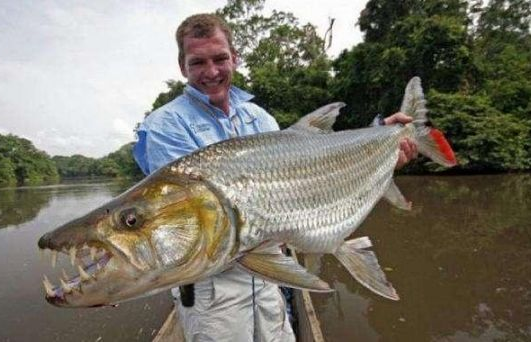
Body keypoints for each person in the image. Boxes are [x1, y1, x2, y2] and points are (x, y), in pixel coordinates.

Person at [133, 13, 417, 342]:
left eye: (220, 58)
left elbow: (306, 177)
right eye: (198, 62)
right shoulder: (164, 126)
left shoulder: (261, 117)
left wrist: (381, 144)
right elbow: (183, 225)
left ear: (234, 58)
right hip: (213, 292)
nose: (211, 72)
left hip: (269, 277)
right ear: (183, 66)